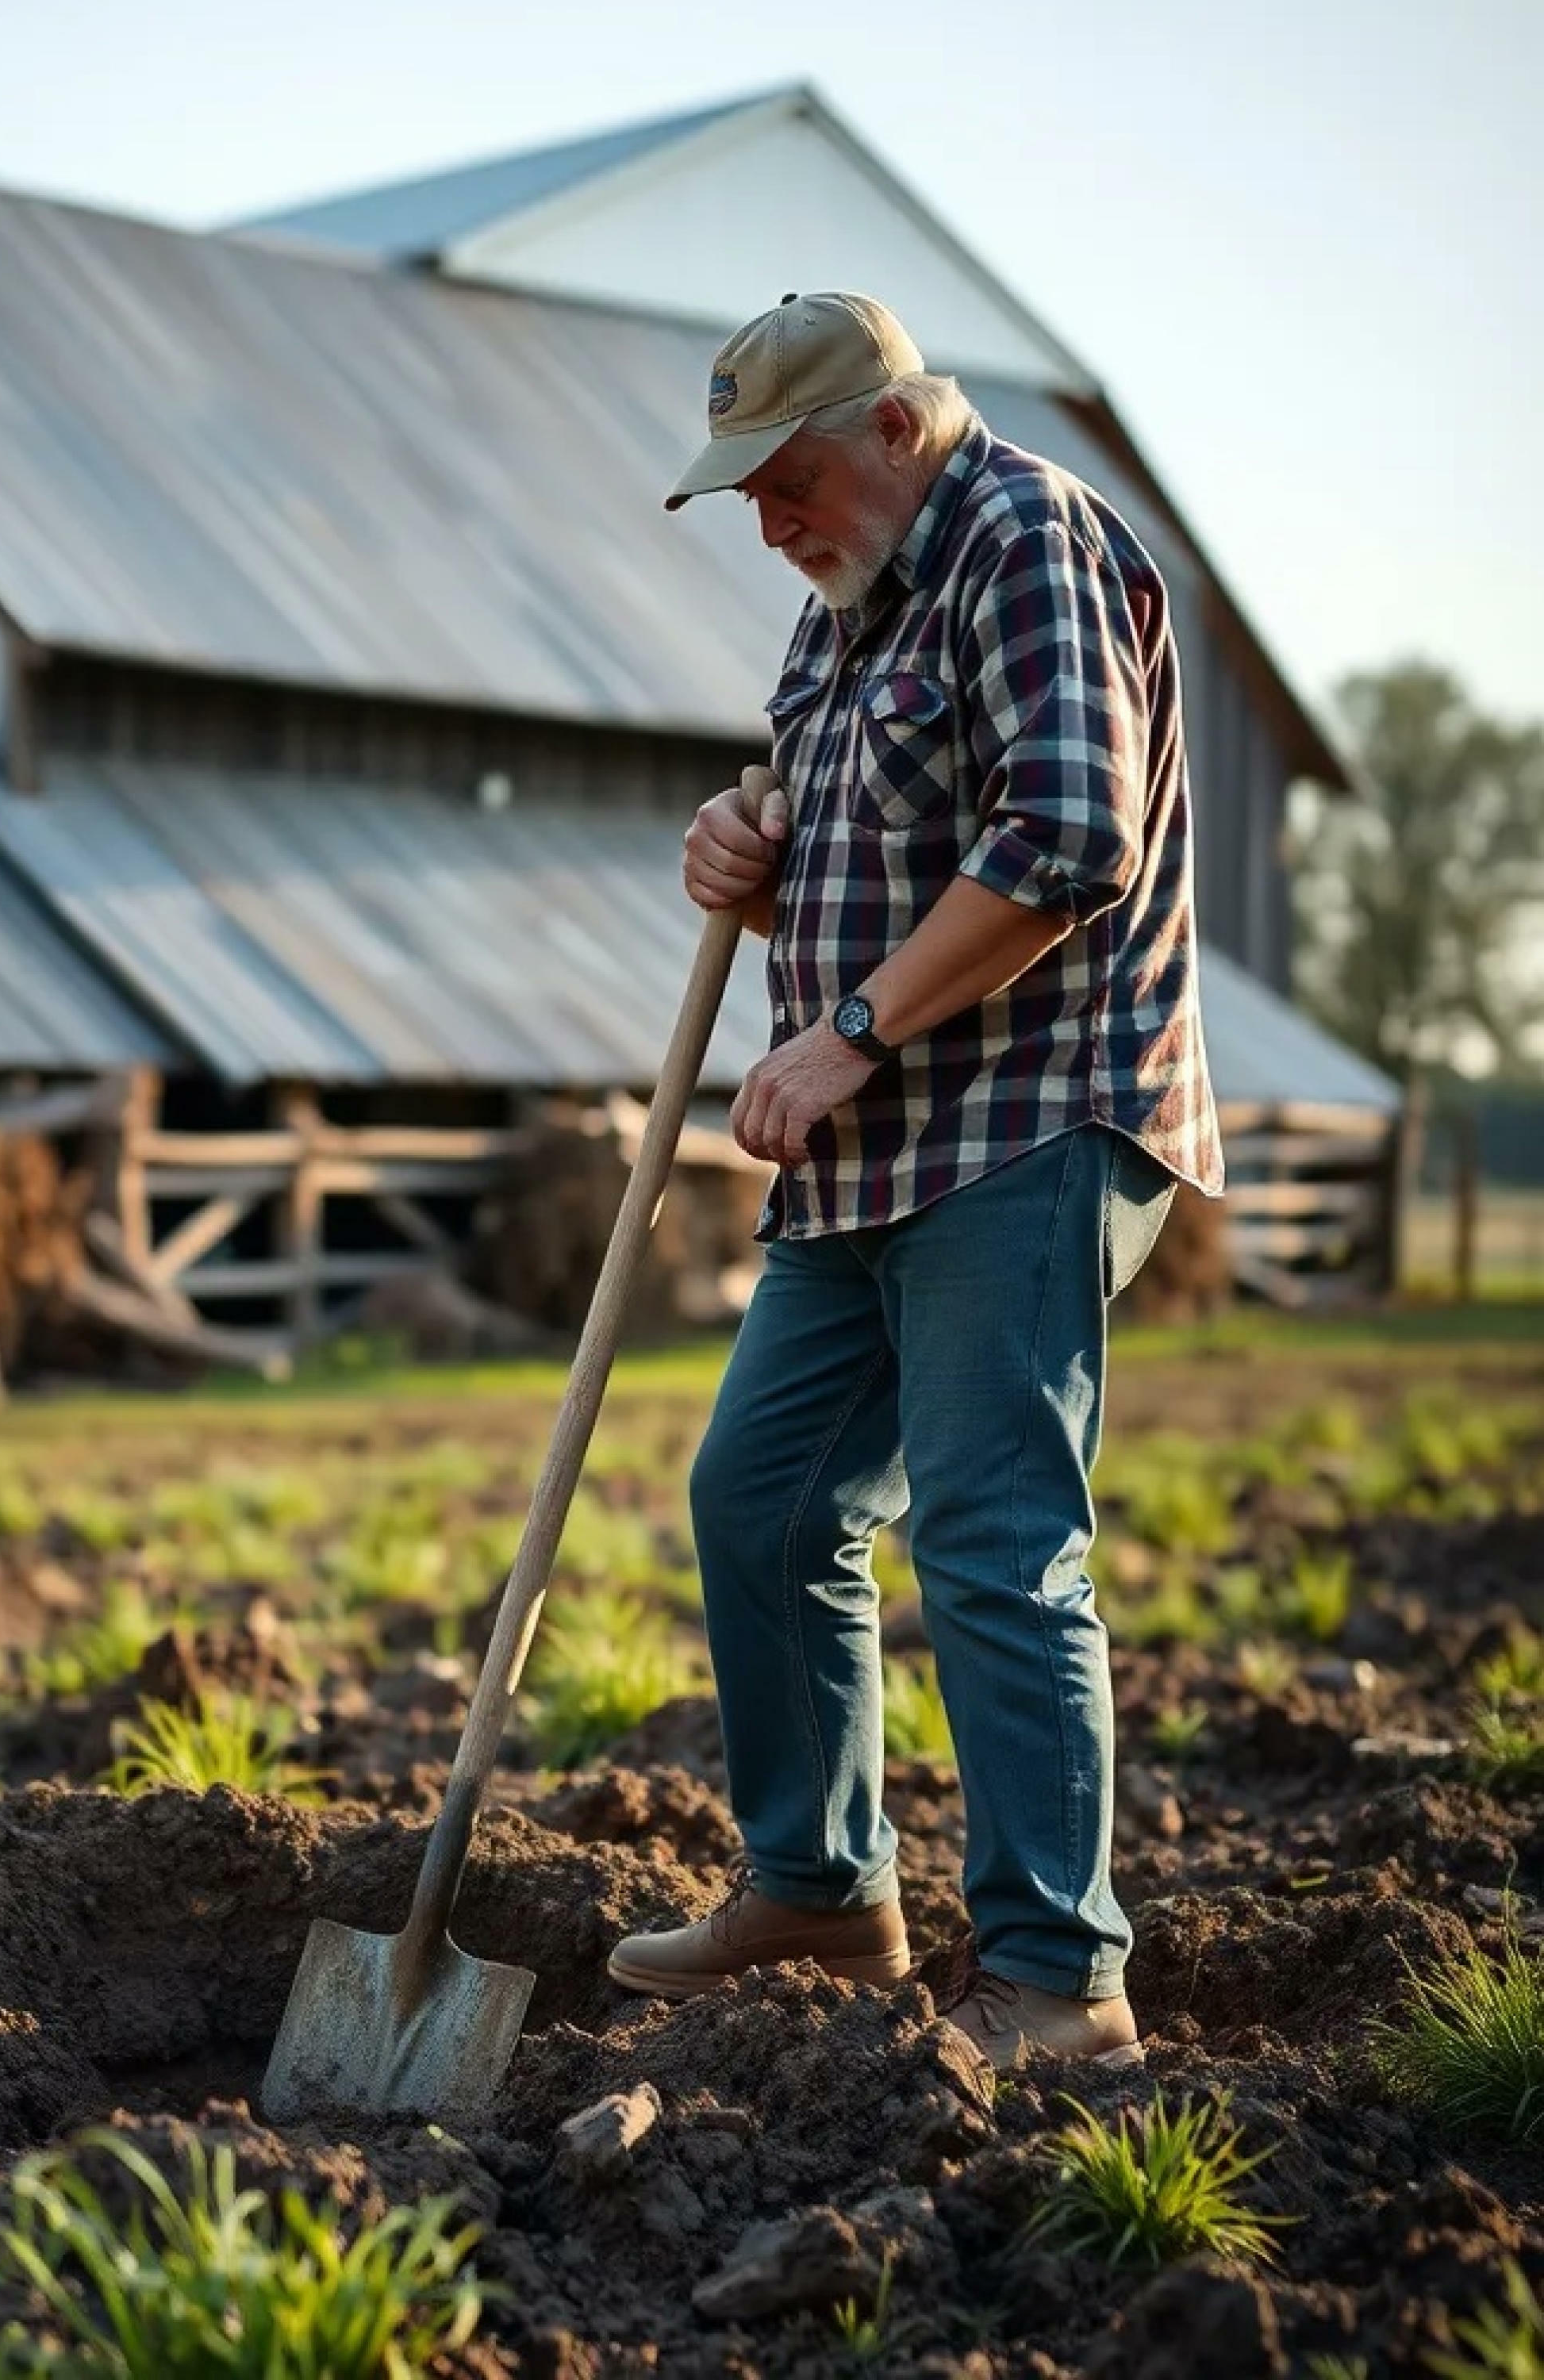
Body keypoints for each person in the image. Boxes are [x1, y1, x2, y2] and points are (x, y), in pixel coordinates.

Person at [605, 292, 1223, 2069]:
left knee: (991, 1540)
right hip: (872, 1159)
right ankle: (817, 1890)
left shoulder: (1024, 536)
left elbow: (1068, 835)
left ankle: (1056, 1979)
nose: (771, 522)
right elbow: (817, 814)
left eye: (786, 478)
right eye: (744, 499)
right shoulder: (844, 612)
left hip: (1024, 1125)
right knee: (765, 1501)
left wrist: (852, 1030)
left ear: (892, 427)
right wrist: (745, 843)